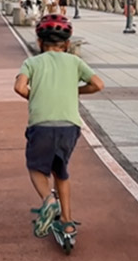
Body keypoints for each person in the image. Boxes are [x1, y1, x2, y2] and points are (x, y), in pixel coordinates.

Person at [14, 14, 104, 241]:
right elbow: (98, 85)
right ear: (66, 44)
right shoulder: (75, 62)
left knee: (36, 168)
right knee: (60, 171)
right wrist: (77, 91)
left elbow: (19, 87)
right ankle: (67, 222)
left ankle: (48, 200)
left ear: (39, 43)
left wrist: (35, 96)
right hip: (69, 127)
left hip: (41, 126)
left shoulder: (32, 63)